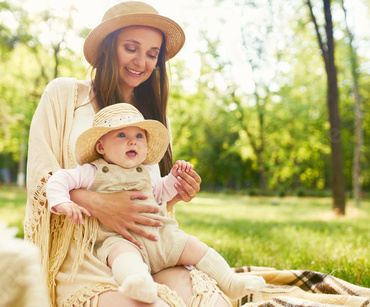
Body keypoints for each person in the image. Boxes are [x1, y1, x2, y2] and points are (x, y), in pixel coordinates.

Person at [24, 1, 240, 306]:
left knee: (211, 302)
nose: (142, 61)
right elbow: (40, 177)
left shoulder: (153, 119)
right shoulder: (66, 95)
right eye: (131, 48)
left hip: (152, 248)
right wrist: (99, 203)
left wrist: (177, 191)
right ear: (108, 48)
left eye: (153, 54)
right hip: (86, 251)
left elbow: (149, 193)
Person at [46, 103, 266, 304]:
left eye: (139, 136)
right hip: (122, 237)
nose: (132, 141)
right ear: (101, 147)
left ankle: (230, 282)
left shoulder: (144, 173)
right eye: (121, 135)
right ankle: (139, 284)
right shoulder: (93, 171)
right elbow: (59, 179)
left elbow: (160, 193)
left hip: (161, 236)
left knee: (194, 246)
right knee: (120, 255)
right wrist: (63, 202)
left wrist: (175, 179)